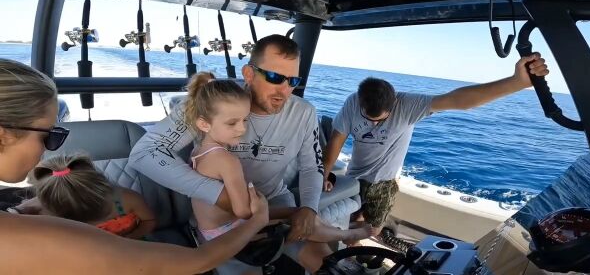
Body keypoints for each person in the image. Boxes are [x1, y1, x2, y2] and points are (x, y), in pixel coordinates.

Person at [0, 58, 269, 274]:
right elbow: (196, 261)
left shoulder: (20, 220)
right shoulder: (19, 235)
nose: (49, 148)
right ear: (4, 135)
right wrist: (257, 220)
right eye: (48, 135)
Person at [128, 34, 330, 274]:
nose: (284, 90)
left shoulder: (304, 113)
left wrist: (309, 207)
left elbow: (311, 167)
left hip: (275, 201)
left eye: (293, 80)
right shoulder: (214, 102)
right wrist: (219, 194)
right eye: (275, 77)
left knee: (329, 264)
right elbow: (144, 153)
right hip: (221, 216)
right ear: (248, 73)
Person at [322, 54, 550, 239]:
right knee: (350, 220)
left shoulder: (408, 105)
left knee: (373, 228)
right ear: (360, 101)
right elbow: (336, 139)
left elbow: (457, 100)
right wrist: (324, 174)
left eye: (380, 119)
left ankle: (353, 251)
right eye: (368, 118)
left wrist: (516, 83)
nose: (373, 124)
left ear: (395, 103)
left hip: (384, 182)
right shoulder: (352, 102)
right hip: (354, 176)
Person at [185, 73, 373, 245]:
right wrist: (259, 198)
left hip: (206, 229)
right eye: (232, 123)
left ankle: (344, 233)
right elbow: (243, 211)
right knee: (300, 221)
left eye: (244, 120)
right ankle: (347, 235)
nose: (242, 129)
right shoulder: (227, 161)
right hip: (228, 232)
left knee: (300, 216)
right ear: (204, 124)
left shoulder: (198, 152)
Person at [13, 154, 156, 239]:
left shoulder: (127, 198)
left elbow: (149, 221)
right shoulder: (42, 216)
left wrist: (129, 241)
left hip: (133, 250)